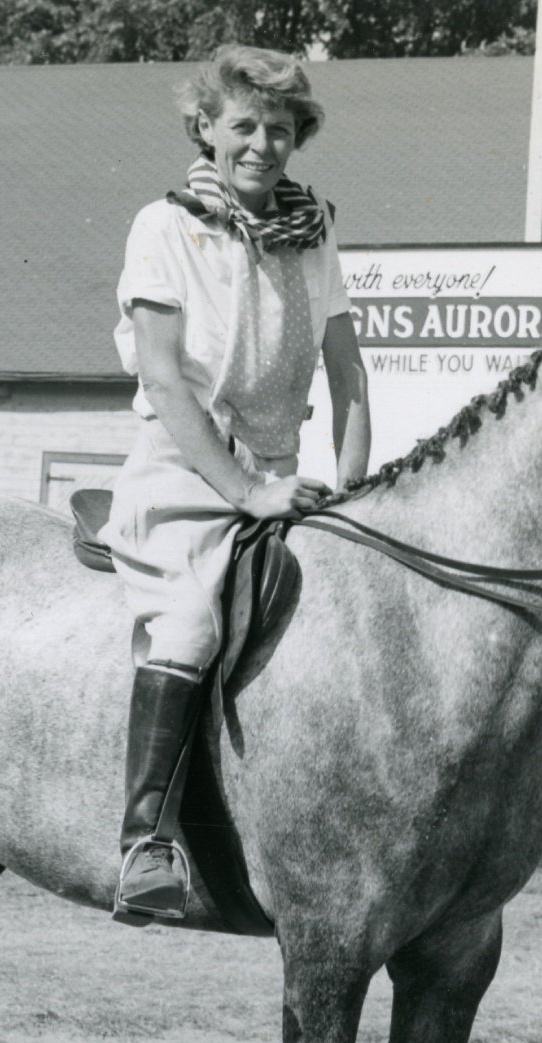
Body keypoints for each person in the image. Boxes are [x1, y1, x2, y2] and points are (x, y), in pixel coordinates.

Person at [102, 44, 370, 920]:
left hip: (282, 477)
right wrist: (245, 493)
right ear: (206, 130)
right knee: (187, 624)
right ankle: (146, 839)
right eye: (245, 125)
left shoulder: (314, 232)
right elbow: (167, 380)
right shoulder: (164, 226)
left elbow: (348, 372)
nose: (263, 144)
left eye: (282, 129)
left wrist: (353, 487)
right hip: (183, 472)